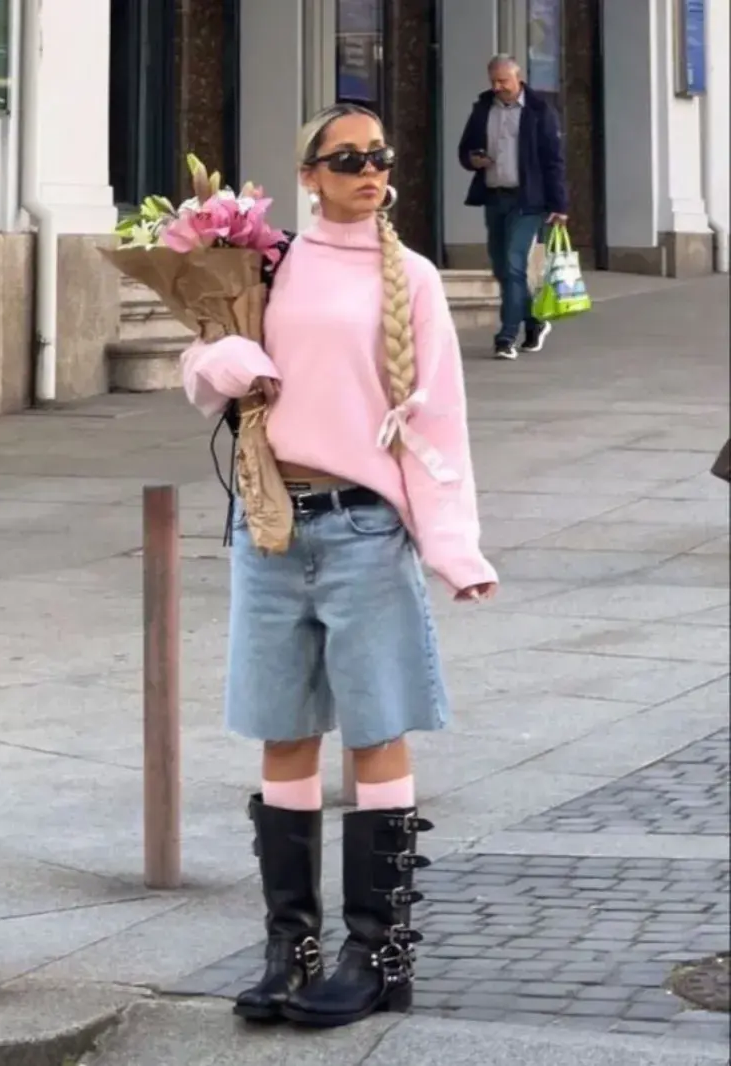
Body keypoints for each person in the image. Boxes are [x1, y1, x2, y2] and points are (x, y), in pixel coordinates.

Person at [181, 103, 498, 1029]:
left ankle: (378, 953)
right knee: (283, 730)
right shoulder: (263, 263)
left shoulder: (417, 279)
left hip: (364, 528)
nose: (369, 170)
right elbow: (200, 374)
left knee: (374, 730)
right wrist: (223, 360)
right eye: (347, 158)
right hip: (271, 525)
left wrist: (453, 545)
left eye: (380, 157)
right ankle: (292, 949)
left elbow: (438, 425)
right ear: (310, 174)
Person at [457, 54, 569, 361]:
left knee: (514, 262)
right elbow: (465, 149)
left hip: (529, 200)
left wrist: (559, 205)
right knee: (501, 267)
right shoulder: (483, 108)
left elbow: (553, 160)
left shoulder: (539, 110)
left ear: (518, 78)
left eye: (503, 81)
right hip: (495, 196)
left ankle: (506, 337)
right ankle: (534, 322)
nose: (497, 87)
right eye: (493, 81)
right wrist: (474, 159)